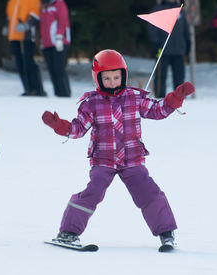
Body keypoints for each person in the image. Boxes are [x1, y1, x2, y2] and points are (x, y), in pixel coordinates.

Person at [41, 49, 195, 249]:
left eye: (116, 77)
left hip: (132, 158)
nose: (112, 82)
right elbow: (78, 129)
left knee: (148, 191)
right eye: (107, 78)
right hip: (103, 160)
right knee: (93, 191)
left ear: (124, 75)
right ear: (98, 79)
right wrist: (59, 126)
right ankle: (68, 233)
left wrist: (175, 98)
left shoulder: (134, 97)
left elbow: (158, 111)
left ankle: (166, 233)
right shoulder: (91, 103)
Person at [148, 0, 191, 98]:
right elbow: (152, 28)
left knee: (179, 76)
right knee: (160, 75)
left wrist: (188, 42)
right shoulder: (158, 9)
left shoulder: (180, 10)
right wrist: (155, 43)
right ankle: (159, 98)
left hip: (179, 49)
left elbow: (185, 28)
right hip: (162, 49)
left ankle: (179, 98)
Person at [4, 0, 46, 97]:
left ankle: (37, 88)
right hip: (14, 36)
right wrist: (7, 27)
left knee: (28, 62)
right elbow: (9, 16)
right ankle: (27, 88)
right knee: (19, 63)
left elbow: (35, 16)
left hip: (26, 36)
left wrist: (26, 25)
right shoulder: (12, 1)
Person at [39, 0, 71, 97]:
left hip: (59, 41)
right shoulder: (45, 6)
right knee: (52, 69)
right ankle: (58, 93)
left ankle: (64, 93)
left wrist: (59, 37)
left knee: (58, 68)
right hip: (48, 43)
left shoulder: (59, 3)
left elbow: (62, 21)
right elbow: (43, 25)